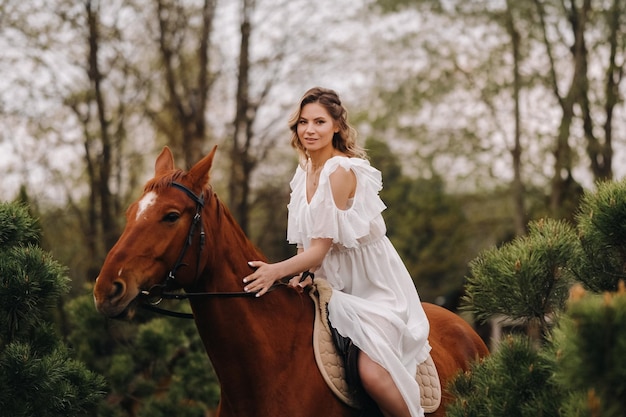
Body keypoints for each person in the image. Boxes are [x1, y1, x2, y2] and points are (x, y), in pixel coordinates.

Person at [243, 87, 431, 417]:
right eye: (303, 122)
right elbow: (303, 243)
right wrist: (301, 276)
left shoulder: (339, 171)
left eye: (319, 121)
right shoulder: (303, 173)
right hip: (331, 285)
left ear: (337, 127)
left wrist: (275, 270)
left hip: (372, 288)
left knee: (372, 374)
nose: (310, 130)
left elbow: (318, 251)